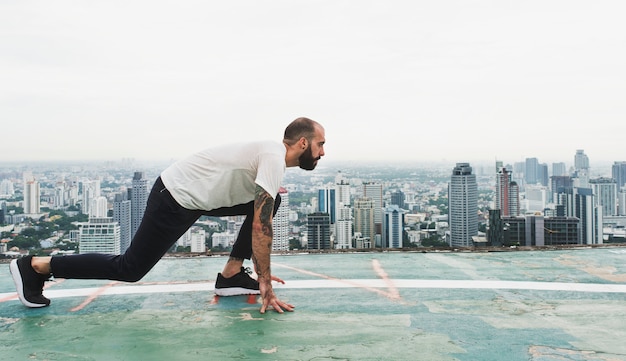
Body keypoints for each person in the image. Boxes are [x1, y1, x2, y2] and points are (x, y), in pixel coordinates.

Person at [10, 117, 326, 314]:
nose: (322, 152)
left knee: (272, 204)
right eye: (320, 144)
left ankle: (230, 276)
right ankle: (36, 266)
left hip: (197, 198)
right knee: (130, 268)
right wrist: (265, 287)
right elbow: (261, 226)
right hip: (174, 197)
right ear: (302, 142)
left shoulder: (272, 156)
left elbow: (261, 214)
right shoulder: (272, 156)